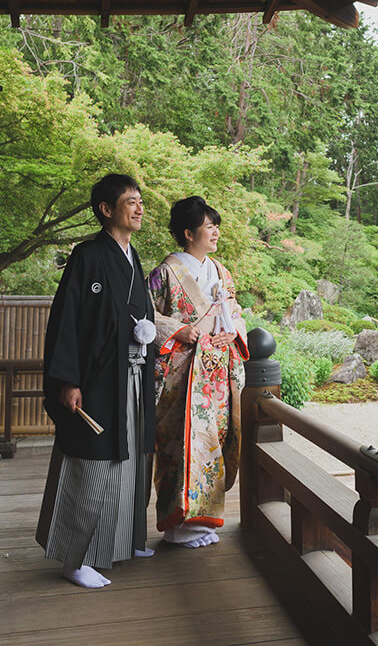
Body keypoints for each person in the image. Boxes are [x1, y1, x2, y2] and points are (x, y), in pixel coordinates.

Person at [35, 174, 158, 588]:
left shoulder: (131, 255)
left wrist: (145, 334)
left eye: (141, 201)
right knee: (92, 460)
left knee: (130, 458)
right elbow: (67, 320)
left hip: (132, 375)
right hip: (99, 377)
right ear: (107, 209)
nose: (139, 208)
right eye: (130, 201)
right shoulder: (88, 255)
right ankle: (74, 558)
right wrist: (68, 380)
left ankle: (120, 541)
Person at [149, 196, 248, 548]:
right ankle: (179, 527)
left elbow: (235, 313)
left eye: (215, 225)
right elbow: (147, 316)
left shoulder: (221, 272)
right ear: (189, 233)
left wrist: (232, 331)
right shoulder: (166, 272)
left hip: (217, 371)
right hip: (182, 375)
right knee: (180, 445)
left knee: (214, 444)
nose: (216, 231)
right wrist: (178, 330)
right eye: (209, 226)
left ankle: (205, 523)